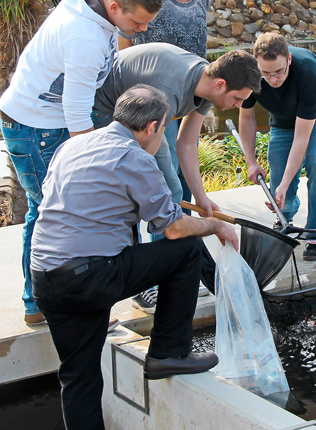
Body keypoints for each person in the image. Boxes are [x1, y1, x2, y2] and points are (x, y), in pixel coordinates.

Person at [31, 85, 239, 430]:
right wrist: (214, 224)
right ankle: (168, 353)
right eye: (163, 131)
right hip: (91, 276)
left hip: (47, 278)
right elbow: (172, 228)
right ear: (152, 126)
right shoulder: (134, 157)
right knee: (186, 250)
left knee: (78, 379)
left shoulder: (72, 146)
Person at [0, 0, 163, 326]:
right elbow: (76, 114)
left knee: (109, 196)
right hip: (35, 127)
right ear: (116, 6)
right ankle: (39, 302)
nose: (143, 30)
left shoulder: (98, 1)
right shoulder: (85, 37)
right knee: (50, 211)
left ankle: (127, 282)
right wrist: (99, 168)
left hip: (53, 118)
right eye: (137, 22)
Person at [92, 42, 262, 309]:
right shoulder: (169, 92)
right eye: (237, 99)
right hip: (103, 106)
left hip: (141, 104)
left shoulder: (206, 84)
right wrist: (171, 199)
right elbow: (147, 157)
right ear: (220, 85)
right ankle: (148, 283)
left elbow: (186, 141)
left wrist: (201, 196)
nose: (237, 106)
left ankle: (168, 274)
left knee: (173, 193)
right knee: (159, 192)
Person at [118, 0, 223, 212]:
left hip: (189, 93)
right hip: (151, 97)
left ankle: (181, 236)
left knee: (183, 173)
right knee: (164, 177)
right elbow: (124, 40)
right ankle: (165, 238)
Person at [238, 33, 316, 261]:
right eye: (266, 74)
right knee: (279, 178)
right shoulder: (249, 74)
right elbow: (247, 117)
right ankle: (285, 216)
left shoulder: (306, 69)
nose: (273, 79)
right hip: (282, 121)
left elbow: (301, 138)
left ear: (288, 59)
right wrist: (251, 161)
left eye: (278, 72)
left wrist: (286, 183)